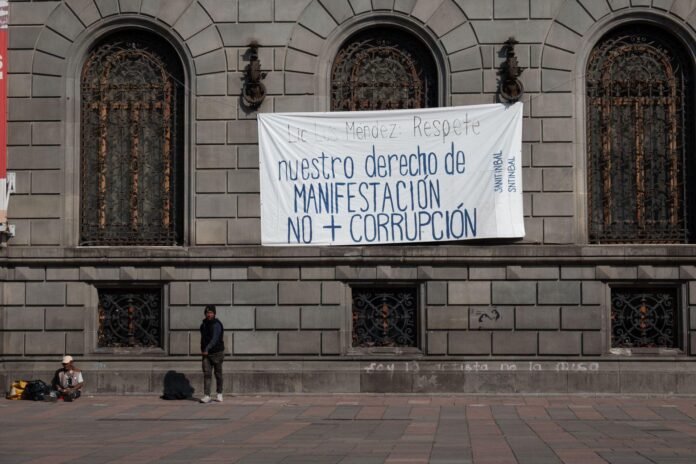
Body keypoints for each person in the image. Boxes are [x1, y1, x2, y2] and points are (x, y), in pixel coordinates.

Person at [199, 304, 224, 403]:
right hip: (206, 355)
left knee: (218, 374)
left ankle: (219, 393)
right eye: (207, 313)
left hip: (217, 353)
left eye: (211, 313)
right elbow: (203, 339)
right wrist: (203, 349)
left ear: (214, 313)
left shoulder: (217, 324)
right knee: (207, 374)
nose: (209, 314)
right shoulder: (203, 325)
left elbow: (215, 339)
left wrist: (207, 348)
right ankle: (207, 395)